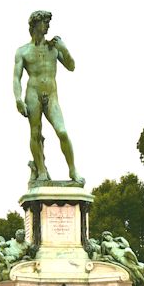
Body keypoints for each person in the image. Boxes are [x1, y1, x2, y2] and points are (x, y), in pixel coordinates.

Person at [13, 10, 84, 185]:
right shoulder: (23, 51)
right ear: (35, 25)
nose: (48, 26)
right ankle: (41, 170)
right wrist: (18, 99)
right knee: (35, 133)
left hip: (51, 94)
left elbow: (71, 66)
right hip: (33, 94)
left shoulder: (54, 47)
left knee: (62, 132)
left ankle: (73, 170)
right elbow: (16, 77)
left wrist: (64, 49)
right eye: (45, 22)